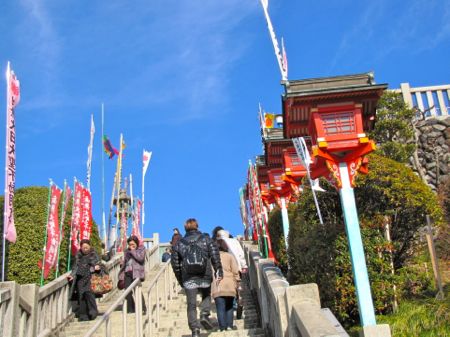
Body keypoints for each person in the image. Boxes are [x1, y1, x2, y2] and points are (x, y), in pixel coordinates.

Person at [171, 218, 223, 337]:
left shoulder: (179, 243)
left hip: (188, 277)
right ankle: (204, 314)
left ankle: (195, 330)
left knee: (191, 304)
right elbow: (215, 254)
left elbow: (175, 264)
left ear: (185, 228)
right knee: (205, 295)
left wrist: (180, 279)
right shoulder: (205, 238)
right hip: (204, 273)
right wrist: (218, 268)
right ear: (197, 226)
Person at [68, 239, 101, 321]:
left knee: (89, 295)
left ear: (89, 246)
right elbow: (75, 268)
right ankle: (83, 316)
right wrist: (72, 275)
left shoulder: (94, 255)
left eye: (86, 247)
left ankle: (93, 312)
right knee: (81, 297)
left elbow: (99, 265)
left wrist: (94, 268)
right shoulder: (78, 256)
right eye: (83, 247)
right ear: (81, 248)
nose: (85, 249)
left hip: (90, 278)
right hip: (80, 279)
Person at [212, 239, 240, 331]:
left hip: (218, 285)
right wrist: (237, 282)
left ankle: (222, 327)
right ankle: (229, 326)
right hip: (230, 284)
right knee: (229, 307)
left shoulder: (212, 258)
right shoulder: (230, 256)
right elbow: (235, 271)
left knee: (220, 308)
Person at [119, 235, 147, 314]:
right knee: (127, 292)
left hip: (136, 273)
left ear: (136, 243)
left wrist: (133, 251)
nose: (131, 246)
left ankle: (143, 308)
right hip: (127, 273)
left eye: (133, 244)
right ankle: (131, 308)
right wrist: (122, 264)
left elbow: (140, 258)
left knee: (137, 291)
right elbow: (126, 262)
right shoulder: (126, 252)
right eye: (130, 244)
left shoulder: (141, 249)